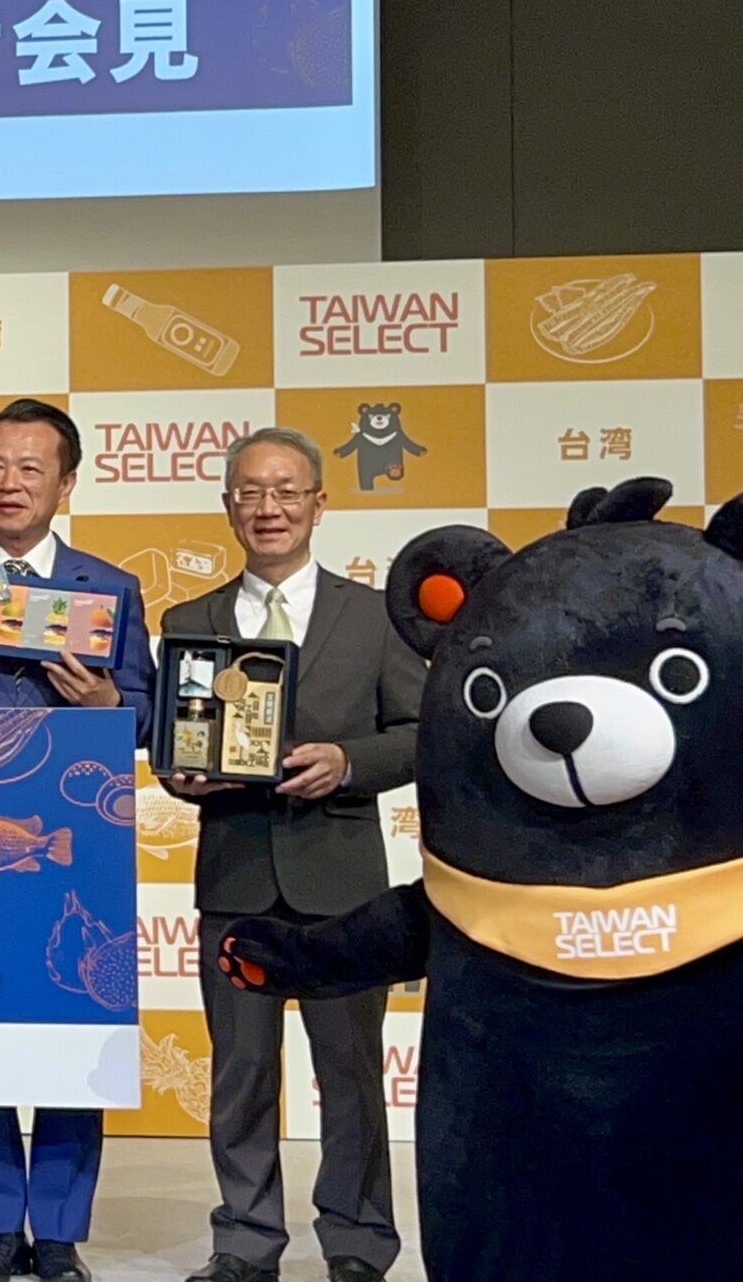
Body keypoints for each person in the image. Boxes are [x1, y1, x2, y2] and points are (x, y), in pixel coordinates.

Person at [164, 429, 420, 1282]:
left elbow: (422, 732)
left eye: (285, 491)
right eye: (250, 492)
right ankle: (244, 1241)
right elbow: (174, 746)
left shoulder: (375, 616)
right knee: (240, 1073)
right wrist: (181, 776)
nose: (267, 508)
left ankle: (357, 1241)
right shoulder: (189, 623)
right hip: (235, 877)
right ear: (228, 505)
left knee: (351, 1075)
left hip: (343, 885)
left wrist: (349, 762)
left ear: (318, 502)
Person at [0, 399, 154, 1282]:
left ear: (66, 483)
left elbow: (147, 713)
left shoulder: (109, 586)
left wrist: (108, 707)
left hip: (75, 839)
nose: (9, 484)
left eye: (30, 469)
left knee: (70, 1032)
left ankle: (57, 1231)